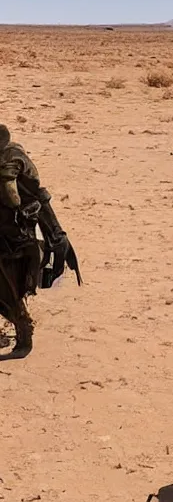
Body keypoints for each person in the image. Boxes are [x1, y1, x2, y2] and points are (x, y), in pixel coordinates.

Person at [0, 123, 81, 359]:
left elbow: (16, 197)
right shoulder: (15, 156)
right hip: (12, 230)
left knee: (8, 287)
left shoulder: (12, 161)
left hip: (14, 234)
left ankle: (24, 335)